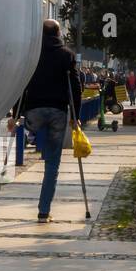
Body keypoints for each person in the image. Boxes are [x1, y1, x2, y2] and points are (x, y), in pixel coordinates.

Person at [23, 19, 82, 222]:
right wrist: (76, 117)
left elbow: (22, 84)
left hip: (34, 111)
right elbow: (75, 87)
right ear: (58, 33)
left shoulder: (32, 53)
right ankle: (44, 211)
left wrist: (16, 115)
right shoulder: (66, 55)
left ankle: (31, 136)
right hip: (57, 111)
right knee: (52, 164)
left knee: (35, 128)